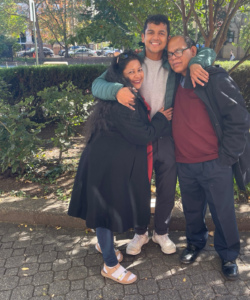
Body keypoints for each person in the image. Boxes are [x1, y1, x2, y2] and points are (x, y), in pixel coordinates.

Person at [91, 14, 216, 256]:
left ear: (167, 37)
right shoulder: (132, 61)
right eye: (151, 32)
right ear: (143, 36)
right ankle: (141, 233)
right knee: (139, 187)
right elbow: (97, 84)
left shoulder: (174, 62)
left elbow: (208, 51)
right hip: (138, 136)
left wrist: (197, 62)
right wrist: (117, 90)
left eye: (161, 33)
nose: (156, 38)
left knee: (168, 187)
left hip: (167, 135)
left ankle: (162, 231)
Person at [68, 51, 172, 284]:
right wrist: (161, 118)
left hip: (105, 160)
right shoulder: (124, 101)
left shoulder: (119, 94)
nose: (137, 75)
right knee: (104, 213)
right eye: (131, 72)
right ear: (120, 76)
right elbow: (143, 134)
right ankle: (110, 265)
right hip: (105, 163)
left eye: (139, 69)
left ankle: (104, 246)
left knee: (103, 207)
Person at [167, 36, 250, 280]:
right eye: (169, 54)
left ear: (192, 51)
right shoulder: (175, 80)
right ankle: (194, 243)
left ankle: (229, 254)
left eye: (178, 52)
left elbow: (239, 118)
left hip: (214, 162)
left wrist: (227, 157)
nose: (173, 58)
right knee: (191, 210)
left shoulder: (213, 78)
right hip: (184, 162)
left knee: (223, 212)